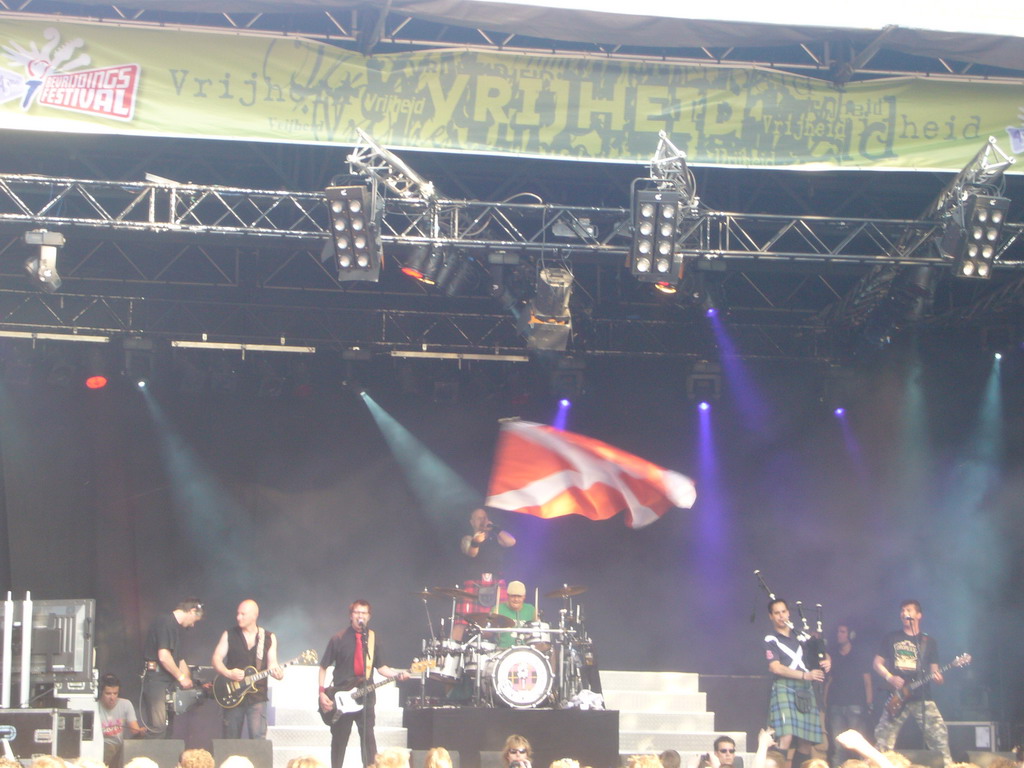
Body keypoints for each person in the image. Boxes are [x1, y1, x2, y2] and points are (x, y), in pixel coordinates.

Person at [318, 600, 409, 768]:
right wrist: (322, 692)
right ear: (350, 616)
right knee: (339, 741)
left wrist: (397, 675)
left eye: (364, 613)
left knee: (368, 739)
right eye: (357, 613)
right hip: (342, 697)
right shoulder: (338, 638)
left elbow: (381, 667)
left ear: (369, 617)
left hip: (366, 696)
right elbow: (323, 666)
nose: (360, 616)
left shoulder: (373, 639)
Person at [873, 600, 953, 768]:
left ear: (918, 615)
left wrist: (939, 678)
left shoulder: (928, 641)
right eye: (902, 610)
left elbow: (934, 671)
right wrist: (890, 678)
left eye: (908, 610)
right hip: (897, 695)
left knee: (939, 738)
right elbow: (877, 663)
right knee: (883, 739)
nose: (904, 613)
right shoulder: (892, 637)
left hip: (922, 696)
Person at [763, 598, 830, 768]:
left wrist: (827, 661)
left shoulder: (801, 636)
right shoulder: (770, 639)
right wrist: (804, 675)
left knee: (806, 740)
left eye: (783, 611)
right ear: (771, 616)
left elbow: (820, 651)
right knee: (785, 736)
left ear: (789, 613)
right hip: (784, 688)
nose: (781, 616)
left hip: (805, 690)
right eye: (777, 613)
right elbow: (775, 668)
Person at [211, 599, 284, 739]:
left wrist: (277, 673)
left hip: (257, 696)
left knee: (258, 739)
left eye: (243, 614)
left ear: (254, 615)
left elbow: (272, 664)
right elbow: (216, 659)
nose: (238, 617)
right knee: (230, 739)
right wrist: (228, 673)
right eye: (238, 614)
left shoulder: (268, 637)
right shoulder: (229, 634)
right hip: (233, 693)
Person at [140, 597, 204, 736]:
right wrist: (181, 678)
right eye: (195, 621)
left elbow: (179, 660)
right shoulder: (165, 622)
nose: (192, 625)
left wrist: (190, 683)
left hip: (167, 683)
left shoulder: (174, 628)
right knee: (159, 727)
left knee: (169, 729)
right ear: (192, 611)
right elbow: (164, 656)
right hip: (156, 681)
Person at [98, 673, 145, 768]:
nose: (112, 697)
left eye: (115, 693)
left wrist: (140, 732)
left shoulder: (126, 704)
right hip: (101, 746)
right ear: (100, 693)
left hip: (119, 747)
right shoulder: (94, 706)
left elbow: (134, 729)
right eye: (108, 693)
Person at [494, 580, 537, 649]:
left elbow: (538, 632)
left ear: (524, 597)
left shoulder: (531, 609)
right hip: (502, 651)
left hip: (527, 652)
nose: (516, 599)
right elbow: (486, 627)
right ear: (507, 596)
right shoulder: (497, 609)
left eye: (519, 596)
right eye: (513, 596)